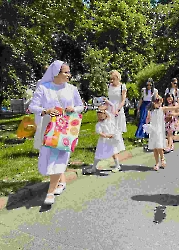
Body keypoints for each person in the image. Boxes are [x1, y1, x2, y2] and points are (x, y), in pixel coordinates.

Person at [28, 60, 84, 205]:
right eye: (66, 72)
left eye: (69, 72)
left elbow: (80, 106)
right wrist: (45, 111)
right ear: (56, 73)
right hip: (49, 128)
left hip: (66, 129)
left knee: (60, 157)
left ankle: (50, 193)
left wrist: (74, 109)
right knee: (50, 158)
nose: (69, 75)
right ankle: (61, 182)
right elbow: (33, 106)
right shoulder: (44, 88)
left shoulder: (72, 89)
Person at [144, 95, 179, 170]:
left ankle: (162, 159)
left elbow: (174, 108)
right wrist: (146, 125)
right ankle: (157, 163)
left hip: (159, 130)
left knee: (159, 146)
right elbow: (148, 118)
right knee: (154, 148)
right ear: (153, 102)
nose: (160, 104)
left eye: (161, 102)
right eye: (158, 102)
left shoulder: (162, 109)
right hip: (153, 130)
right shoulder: (150, 111)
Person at [85, 101, 124, 174]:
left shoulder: (109, 120)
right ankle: (93, 168)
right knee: (98, 154)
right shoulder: (99, 124)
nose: (100, 116)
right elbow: (100, 133)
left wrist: (106, 102)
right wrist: (107, 136)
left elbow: (112, 105)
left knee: (114, 152)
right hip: (104, 140)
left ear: (105, 114)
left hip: (111, 140)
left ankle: (118, 165)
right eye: (98, 115)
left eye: (101, 114)